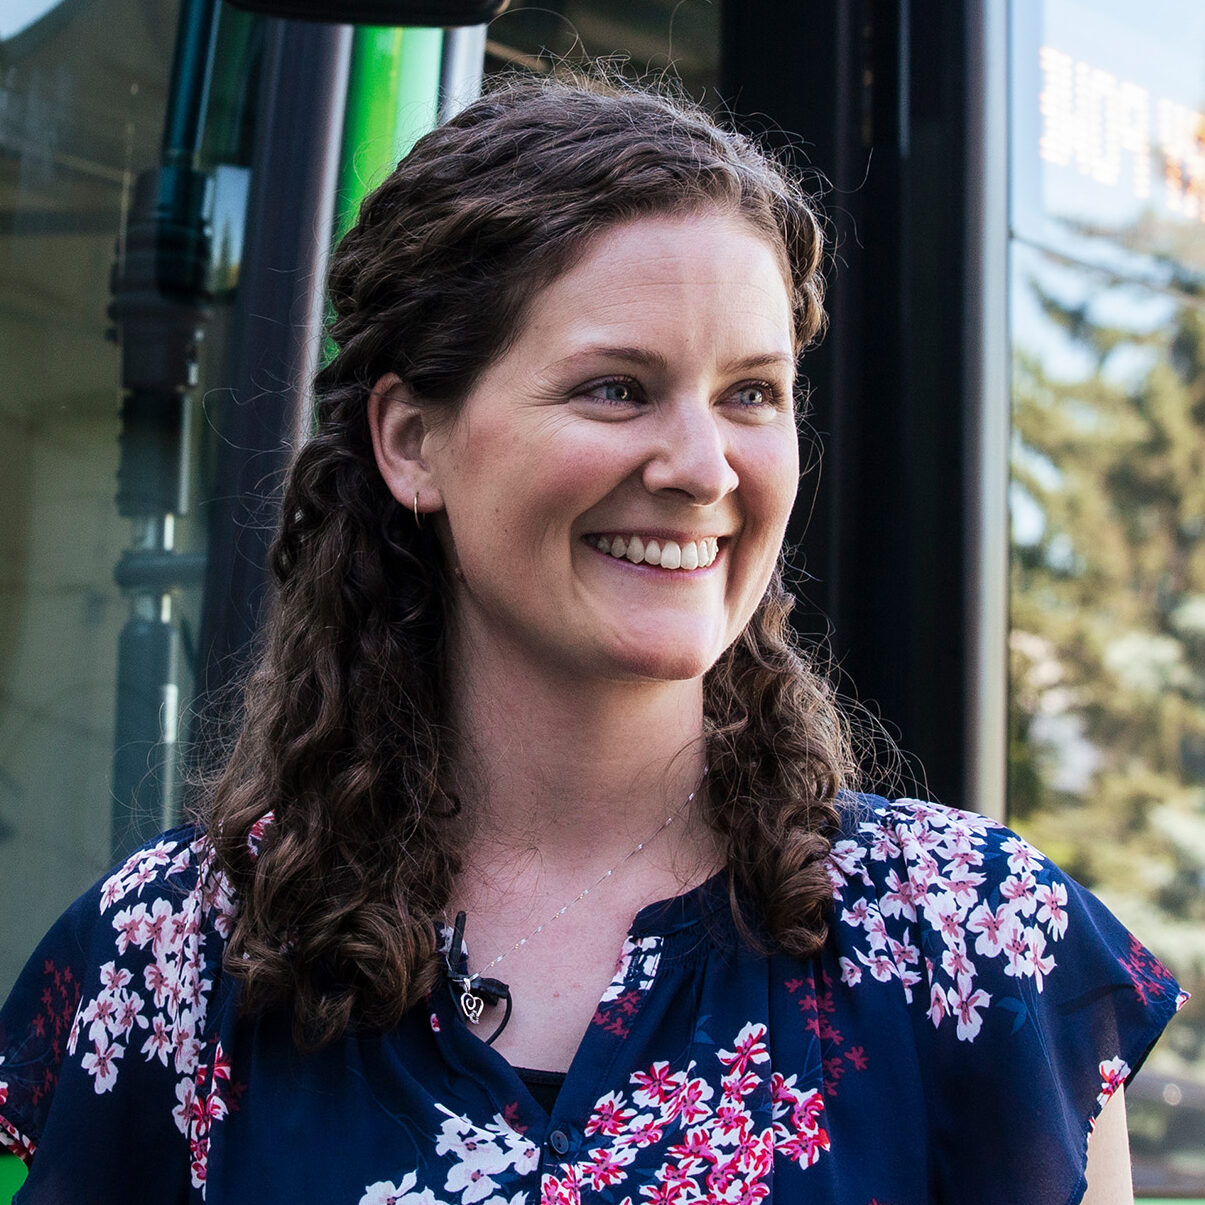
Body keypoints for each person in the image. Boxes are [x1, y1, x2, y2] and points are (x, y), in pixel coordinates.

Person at [0, 73, 1185, 1204]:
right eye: (615, 387)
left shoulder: (980, 943)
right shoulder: (170, 959)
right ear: (412, 440)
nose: (703, 465)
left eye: (751, 392)